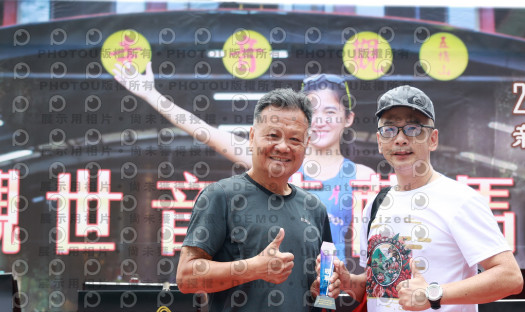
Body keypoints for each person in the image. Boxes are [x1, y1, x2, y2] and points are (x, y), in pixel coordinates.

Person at [336, 85, 524, 312]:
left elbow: (509, 277)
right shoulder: (377, 204)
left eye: (413, 128)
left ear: (432, 138)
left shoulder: (459, 199)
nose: (400, 139)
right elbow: (380, 285)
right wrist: (353, 282)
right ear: (379, 141)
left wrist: (434, 293)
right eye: (390, 129)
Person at [176, 88, 341, 312]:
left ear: (306, 145)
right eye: (273, 135)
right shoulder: (221, 196)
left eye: (294, 139)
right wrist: (253, 268)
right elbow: (186, 277)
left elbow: (319, 292)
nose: (283, 146)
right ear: (252, 136)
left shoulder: (314, 209)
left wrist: (323, 290)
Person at [114, 64, 375, 260]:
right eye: (313, 112)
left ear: (348, 118)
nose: (321, 121)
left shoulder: (363, 177)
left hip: (333, 291)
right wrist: (151, 95)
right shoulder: (278, 162)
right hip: (278, 282)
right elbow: (205, 131)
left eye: (330, 112)